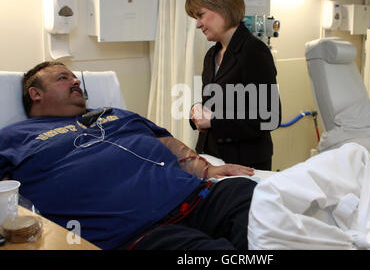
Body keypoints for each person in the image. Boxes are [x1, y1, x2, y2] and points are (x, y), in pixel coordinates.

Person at [0, 61, 257, 250]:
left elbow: (165, 141)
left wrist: (204, 168)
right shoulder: (14, 137)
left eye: (75, 77)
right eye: (63, 78)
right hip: (142, 233)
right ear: (36, 94)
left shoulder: (113, 114)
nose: (76, 81)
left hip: (198, 199)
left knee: (248, 196)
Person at [185, 0, 281, 171]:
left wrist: (213, 121)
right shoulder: (212, 55)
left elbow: (269, 116)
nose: (198, 24)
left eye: (201, 15)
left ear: (222, 7)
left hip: (244, 163)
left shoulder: (254, 51)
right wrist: (196, 111)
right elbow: (214, 106)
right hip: (211, 158)